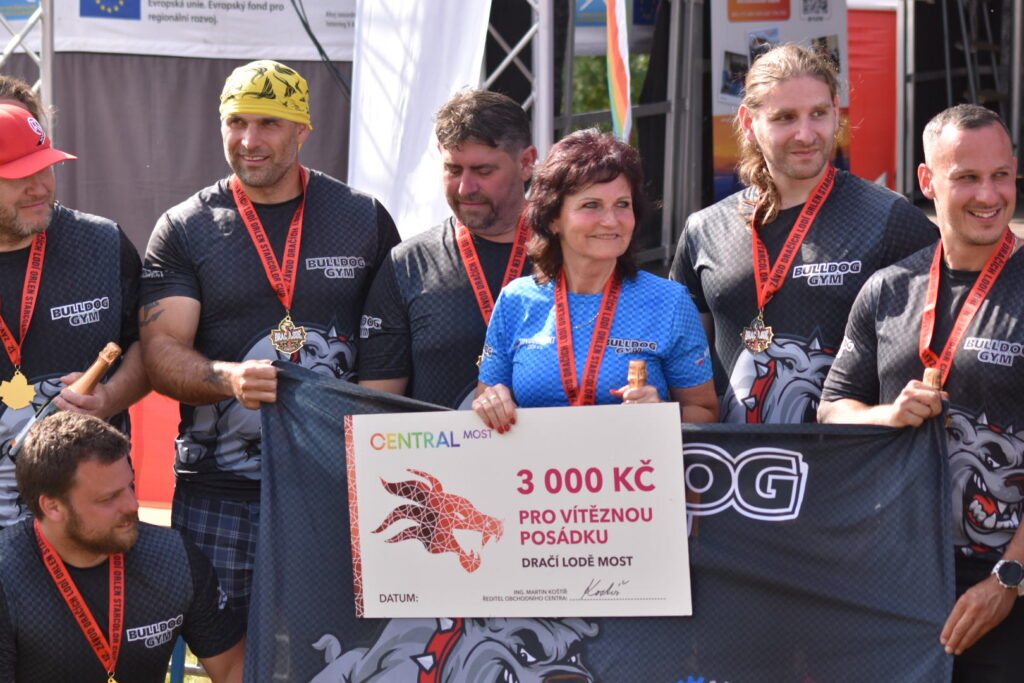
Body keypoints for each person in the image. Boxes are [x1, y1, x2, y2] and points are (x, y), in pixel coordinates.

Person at [138, 60, 400, 621]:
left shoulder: (362, 218)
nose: (249, 141)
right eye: (236, 122)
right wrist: (227, 378)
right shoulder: (186, 226)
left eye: (269, 124)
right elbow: (160, 352)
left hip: (336, 490)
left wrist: (372, 465)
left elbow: (389, 346)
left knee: (334, 648)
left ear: (303, 130)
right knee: (223, 651)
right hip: (220, 491)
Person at [818, 104, 1023, 681]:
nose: (989, 195)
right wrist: (886, 415)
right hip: (891, 578)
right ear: (928, 181)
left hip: (1003, 580)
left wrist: (1008, 578)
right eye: (967, 177)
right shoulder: (888, 289)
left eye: (1002, 175)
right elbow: (831, 409)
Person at [669, 44, 937, 424]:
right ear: (748, 122)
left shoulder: (888, 219)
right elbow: (683, 367)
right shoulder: (705, 229)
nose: (805, 134)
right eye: (785, 118)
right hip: (734, 458)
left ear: (836, 112)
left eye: (818, 114)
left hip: (844, 456)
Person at [474, 128, 718, 431]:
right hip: (535, 462)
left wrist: (662, 414)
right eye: (591, 205)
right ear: (553, 218)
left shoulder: (669, 301)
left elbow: (706, 411)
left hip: (634, 462)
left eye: (622, 204)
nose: (611, 221)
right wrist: (490, 403)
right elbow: (486, 402)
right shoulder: (516, 299)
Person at [0, 411, 244, 682]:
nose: (132, 505)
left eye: (130, 486)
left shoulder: (176, 559)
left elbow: (233, 669)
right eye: (108, 498)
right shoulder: (7, 575)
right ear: (53, 507)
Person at [0, 92, 148, 527]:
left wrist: (109, 398)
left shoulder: (102, 243)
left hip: (88, 522)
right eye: (18, 175)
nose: (40, 186)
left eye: (45, 167)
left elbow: (146, 348)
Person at [358, 90, 537, 408]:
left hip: (557, 442)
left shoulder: (571, 254)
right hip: (437, 443)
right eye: (453, 170)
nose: (466, 188)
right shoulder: (409, 264)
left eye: (483, 171)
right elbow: (375, 410)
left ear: (526, 163)